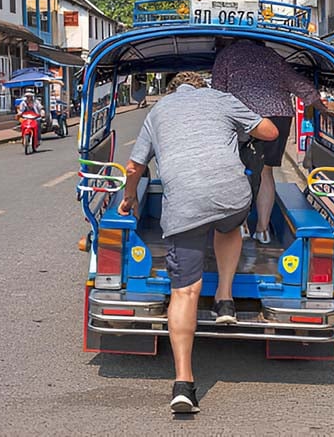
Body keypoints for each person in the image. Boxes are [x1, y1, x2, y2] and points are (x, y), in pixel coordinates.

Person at [117, 71, 278, 414]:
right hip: (231, 197)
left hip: (185, 205)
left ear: (172, 89)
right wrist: (240, 126)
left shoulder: (158, 111)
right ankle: (225, 300)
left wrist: (130, 197)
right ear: (203, 85)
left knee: (185, 292)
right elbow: (270, 132)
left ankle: (184, 385)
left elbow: (134, 165)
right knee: (229, 225)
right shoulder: (220, 98)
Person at [212, 39, 332, 244]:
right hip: (278, 117)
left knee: (240, 169)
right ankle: (263, 229)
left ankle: (241, 225)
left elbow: (217, 92)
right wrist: (321, 106)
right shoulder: (271, 56)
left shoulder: (227, 56)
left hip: (243, 115)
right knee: (266, 171)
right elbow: (297, 83)